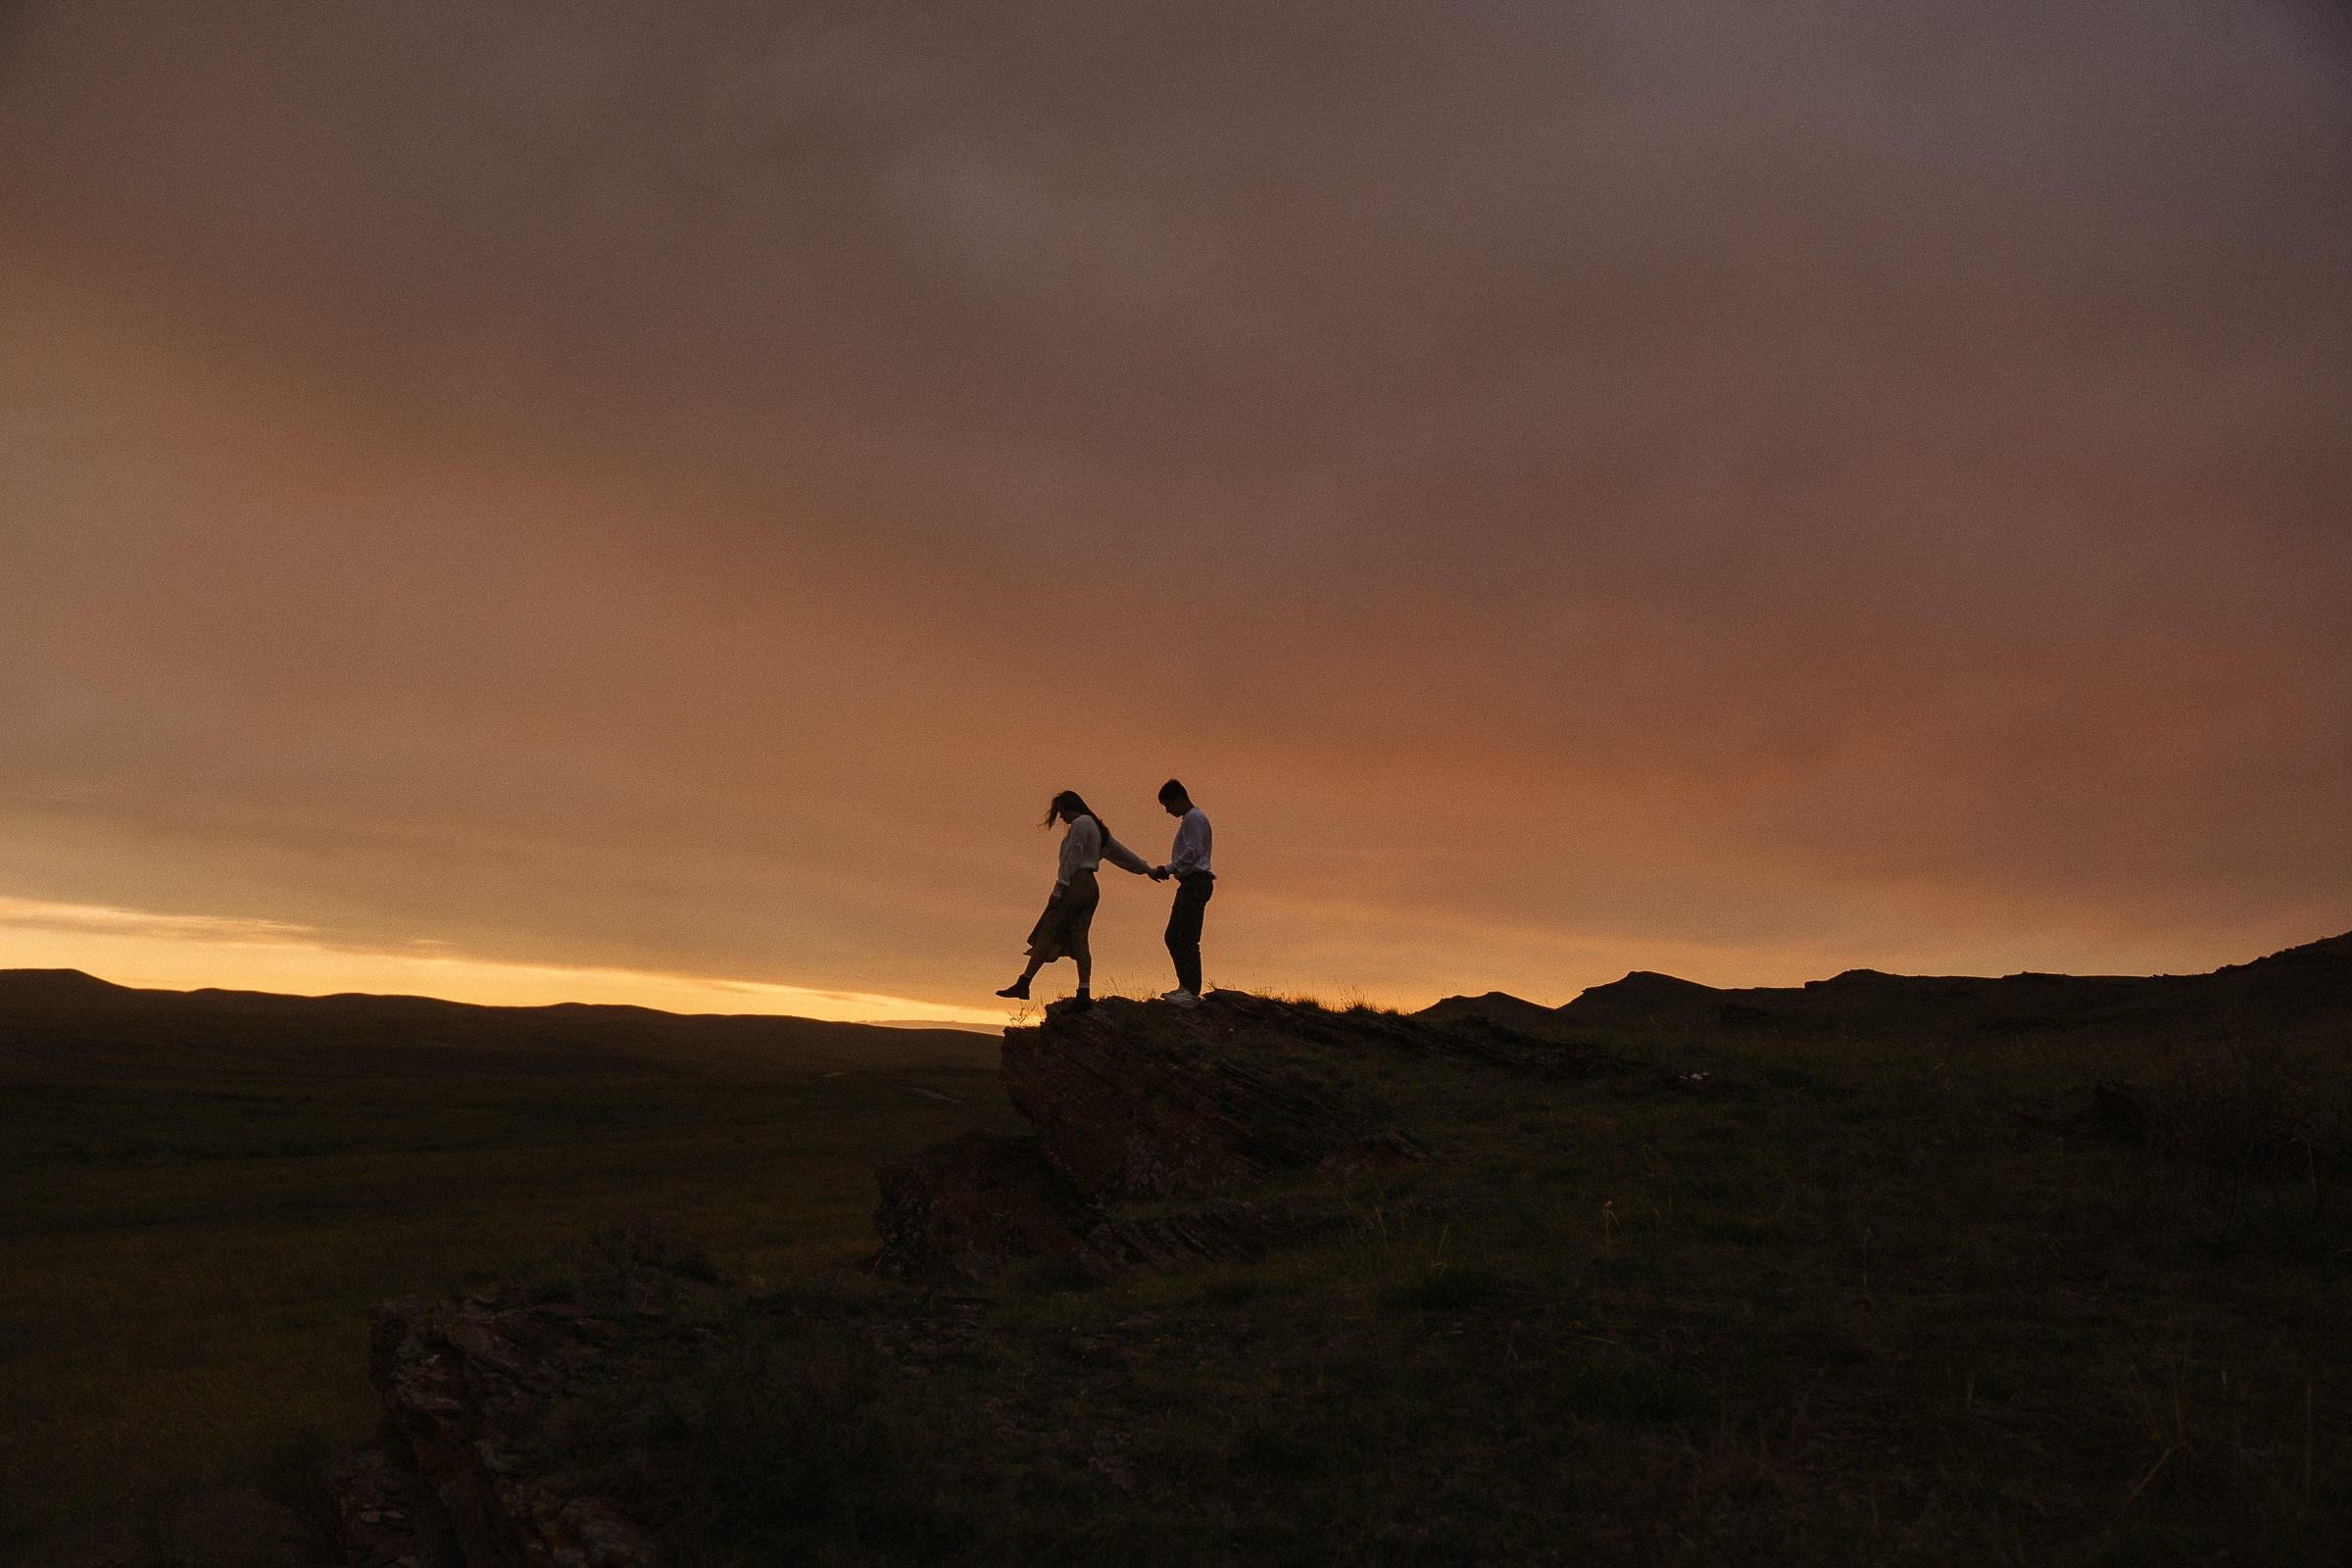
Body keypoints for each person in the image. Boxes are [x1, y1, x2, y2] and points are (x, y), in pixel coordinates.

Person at [997, 790, 1152, 1007]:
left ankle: (1024, 983)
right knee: (1080, 938)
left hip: (1076, 884)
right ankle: (1083, 992)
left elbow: (1072, 858)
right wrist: (1147, 870)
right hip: (1091, 888)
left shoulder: (1080, 824)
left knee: (1048, 931)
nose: (1061, 817)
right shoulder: (1097, 828)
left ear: (1071, 807)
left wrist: (1058, 889)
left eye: (1061, 812)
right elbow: (1121, 853)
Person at [1147, 779, 1214, 1005]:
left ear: (1178, 799)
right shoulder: (1191, 819)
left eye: (1168, 805)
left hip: (1196, 882)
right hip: (1188, 883)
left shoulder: (1194, 818)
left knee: (1187, 938)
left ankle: (1191, 992)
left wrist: (1168, 868)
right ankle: (1185, 986)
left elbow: (1192, 852)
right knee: (1173, 937)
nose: (1168, 811)